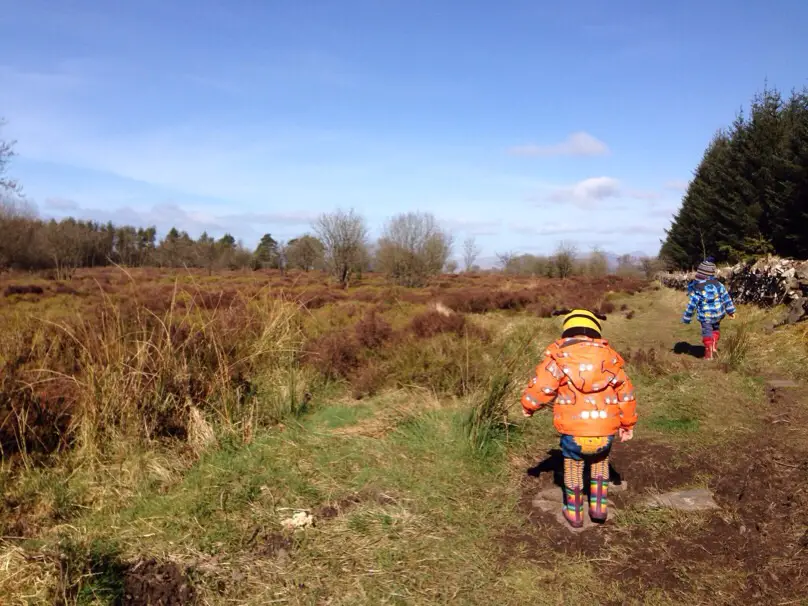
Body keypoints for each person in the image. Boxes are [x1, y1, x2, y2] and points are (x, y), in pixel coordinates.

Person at [521, 309, 637, 528]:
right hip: (604, 432)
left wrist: (529, 405)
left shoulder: (559, 357)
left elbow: (541, 386)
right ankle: (599, 508)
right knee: (600, 464)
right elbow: (626, 393)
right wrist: (627, 423)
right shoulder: (610, 358)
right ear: (595, 330)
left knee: (573, 467)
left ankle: (574, 513)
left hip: (574, 432)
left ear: (567, 331)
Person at [681, 258, 736, 360]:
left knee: (707, 332)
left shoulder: (698, 288)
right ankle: (714, 345)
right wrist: (731, 311)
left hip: (706, 316)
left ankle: (709, 353)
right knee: (715, 329)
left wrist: (687, 317)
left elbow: (692, 304)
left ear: (700, 274)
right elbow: (726, 298)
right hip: (718, 314)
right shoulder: (719, 285)